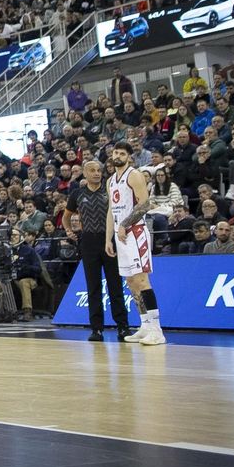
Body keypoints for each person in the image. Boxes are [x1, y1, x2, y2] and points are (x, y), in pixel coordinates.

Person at [107, 143, 167, 346]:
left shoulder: (134, 175)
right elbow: (111, 210)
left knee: (142, 280)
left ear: (128, 157)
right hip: (120, 235)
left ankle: (157, 330)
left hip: (136, 232)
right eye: (115, 152)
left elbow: (145, 204)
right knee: (131, 283)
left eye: (122, 153)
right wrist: (109, 238)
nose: (118, 155)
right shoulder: (110, 181)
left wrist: (125, 224)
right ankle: (144, 325)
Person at [67, 160, 130, 341]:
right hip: (88, 241)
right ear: (85, 174)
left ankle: (122, 327)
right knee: (93, 287)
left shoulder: (109, 190)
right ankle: (96, 329)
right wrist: (70, 231)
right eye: (92, 171)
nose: (96, 173)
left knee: (115, 285)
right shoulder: (77, 194)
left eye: (99, 170)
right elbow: (66, 216)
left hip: (110, 240)